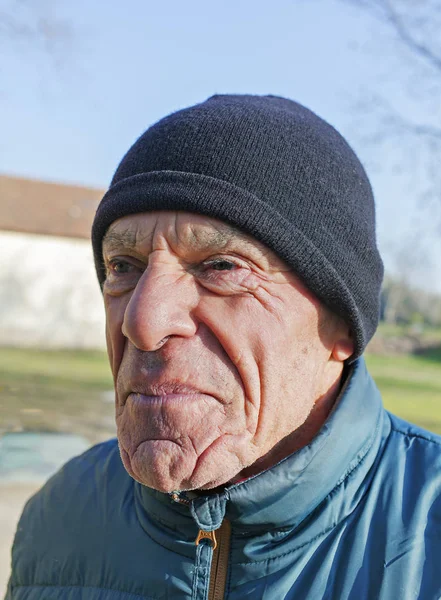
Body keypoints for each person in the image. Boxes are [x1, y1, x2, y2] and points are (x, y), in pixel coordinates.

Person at [6, 95, 441, 600]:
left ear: (341, 326)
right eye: (123, 266)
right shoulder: (62, 514)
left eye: (221, 267)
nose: (143, 323)